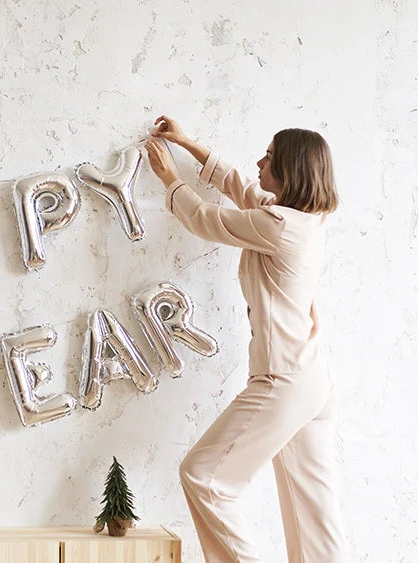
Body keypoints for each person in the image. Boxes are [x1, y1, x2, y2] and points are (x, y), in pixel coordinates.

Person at [145, 116, 347, 563]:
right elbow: (241, 186)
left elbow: (204, 218)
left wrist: (170, 178)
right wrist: (188, 142)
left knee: (205, 478)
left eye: (270, 157)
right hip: (313, 380)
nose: (260, 161)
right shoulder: (302, 221)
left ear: (292, 171)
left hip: (284, 380)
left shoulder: (277, 225)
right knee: (315, 520)